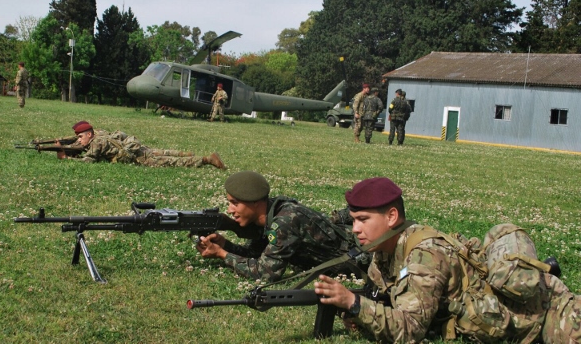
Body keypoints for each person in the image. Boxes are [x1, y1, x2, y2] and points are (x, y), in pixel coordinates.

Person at [313, 177, 581, 343]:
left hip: (546, 312)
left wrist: (354, 303)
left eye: (363, 220)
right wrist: (360, 315)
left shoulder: (423, 257)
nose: (355, 229)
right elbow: (395, 307)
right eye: (353, 221)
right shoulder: (382, 257)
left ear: (392, 217)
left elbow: (410, 330)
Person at [195, 171, 357, 282]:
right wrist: (225, 245)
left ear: (255, 201)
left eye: (235, 203)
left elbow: (265, 272)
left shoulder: (284, 221)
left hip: (358, 258)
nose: (230, 210)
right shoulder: (269, 213)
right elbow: (256, 254)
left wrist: (222, 254)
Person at [57, 121, 226, 169]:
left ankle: (206, 160)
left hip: (137, 156)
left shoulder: (96, 143)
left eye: (80, 137)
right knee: (164, 152)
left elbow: (88, 161)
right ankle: (187, 154)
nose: (79, 140)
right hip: (136, 147)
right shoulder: (99, 133)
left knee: (169, 162)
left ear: (89, 134)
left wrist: (66, 158)